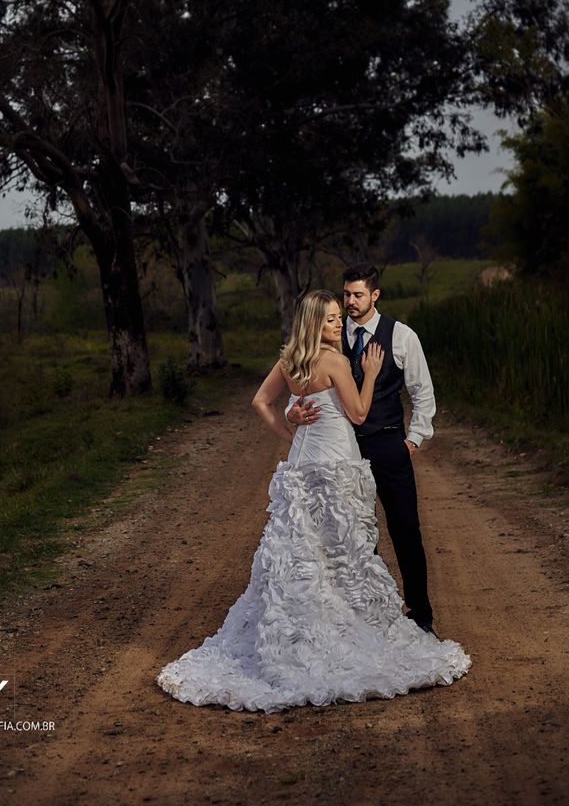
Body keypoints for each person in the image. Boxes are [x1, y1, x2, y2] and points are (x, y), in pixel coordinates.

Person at [156, 291, 469, 713]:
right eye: (330, 320)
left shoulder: (290, 361)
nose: (338, 325)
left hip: (303, 465)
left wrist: (291, 432)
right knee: (343, 549)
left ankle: (300, 631)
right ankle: (343, 631)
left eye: (339, 318)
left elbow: (260, 402)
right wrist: (372, 373)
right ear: (313, 324)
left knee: (303, 549)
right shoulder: (337, 362)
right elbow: (358, 414)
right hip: (337, 462)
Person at [286, 262, 436, 632]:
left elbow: (422, 393)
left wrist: (413, 440)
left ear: (375, 295)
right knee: (352, 535)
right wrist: (294, 413)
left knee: (405, 529)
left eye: (357, 295)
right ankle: (363, 619)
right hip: (345, 450)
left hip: (388, 444)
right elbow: (306, 385)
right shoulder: (331, 335)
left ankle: (421, 616)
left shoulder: (401, 336)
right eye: (346, 295)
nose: (350, 302)